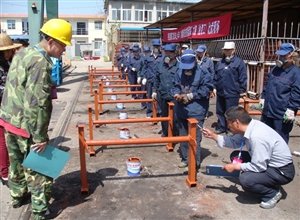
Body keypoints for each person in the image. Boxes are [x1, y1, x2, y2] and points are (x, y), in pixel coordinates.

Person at [0, 18, 72, 220]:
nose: (63, 51)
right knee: (38, 169)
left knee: (16, 164)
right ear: (51, 42)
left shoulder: (22, 53)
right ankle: (40, 210)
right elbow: (37, 103)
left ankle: (18, 196)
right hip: (26, 126)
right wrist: (40, 136)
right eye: (63, 45)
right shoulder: (41, 63)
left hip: (8, 120)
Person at [202, 106, 295, 209]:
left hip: (282, 171)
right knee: (236, 156)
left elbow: (259, 166)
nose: (227, 126)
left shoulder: (257, 136)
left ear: (237, 122)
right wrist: (214, 136)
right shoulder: (249, 126)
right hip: (268, 163)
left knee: (246, 180)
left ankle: (271, 193)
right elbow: (234, 142)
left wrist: (235, 167)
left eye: (228, 123)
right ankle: (263, 181)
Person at [172, 49, 213, 171]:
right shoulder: (179, 71)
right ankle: (185, 159)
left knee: (195, 138)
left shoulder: (204, 72)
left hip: (196, 111)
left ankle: (194, 162)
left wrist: (192, 95)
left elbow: (207, 89)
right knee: (183, 136)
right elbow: (174, 86)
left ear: (195, 61)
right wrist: (176, 94)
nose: (187, 70)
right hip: (182, 110)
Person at [259, 43, 300, 144]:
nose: (281, 57)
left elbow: (296, 93)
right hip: (268, 111)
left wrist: (292, 109)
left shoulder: (296, 73)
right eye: (280, 55)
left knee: (280, 141)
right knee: (264, 138)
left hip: (281, 114)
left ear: (292, 55)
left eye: (284, 55)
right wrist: (263, 98)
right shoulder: (275, 70)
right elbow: (267, 85)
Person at [0, 34, 22, 186]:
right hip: (2, 107)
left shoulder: (7, 64)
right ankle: (4, 172)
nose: (9, 53)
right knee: (2, 140)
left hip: (8, 107)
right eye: (6, 51)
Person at [213, 41, 247, 136]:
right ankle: (221, 126)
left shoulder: (239, 62)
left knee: (231, 111)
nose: (227, 52)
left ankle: (230, 129)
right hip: (221, 91)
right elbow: (215, 76)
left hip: (232, 92)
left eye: (229, 50)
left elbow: (243, 77)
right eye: (226, 50)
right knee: (220, 110)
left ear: (234, 50)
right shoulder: (220, 62)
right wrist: (214, 87)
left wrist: (241, 91)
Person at [154, 43, 179, 137]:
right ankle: (166, 132)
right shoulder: (160, 66)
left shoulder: (179, 66)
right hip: (163, 94)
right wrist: (154, 91)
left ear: (175, 53)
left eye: (171, 52)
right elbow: (156, 79)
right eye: (166, 52)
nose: (168, 54)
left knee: (175, 116)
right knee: (164, 115)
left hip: (174, 95)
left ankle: (175, 133)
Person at [141, 39, 164, 118]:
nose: (156, 48)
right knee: (150, 96)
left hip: (160, 81)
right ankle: (150, 112)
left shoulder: (163, 57)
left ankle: (159, 112)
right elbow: (145, 68)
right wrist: (144, 77)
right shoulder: (148, 57)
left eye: (158, 46)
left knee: (159, 97)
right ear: (152, 46)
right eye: (155, 46)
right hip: (150, 80)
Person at [196, 45, 215, 119]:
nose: (199, 53)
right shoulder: (195, 59)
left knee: (205, 98)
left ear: (204, 52)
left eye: (201, 52)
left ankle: (205, 113)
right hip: (197, 82)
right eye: (198, 52)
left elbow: (212, 73)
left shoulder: (209, 61)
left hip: (205, 83)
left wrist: (211, 85)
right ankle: (198, 112)